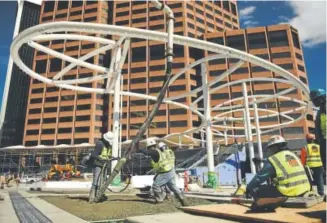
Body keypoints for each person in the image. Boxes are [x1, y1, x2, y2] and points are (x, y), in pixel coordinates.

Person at [246, 135, 311, 211]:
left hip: (289, 192)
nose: (270, 150)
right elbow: (283, 162)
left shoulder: (273, 159)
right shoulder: (293, 155)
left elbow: (259, 178)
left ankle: (263, 207)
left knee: (256, 188)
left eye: (270, 148)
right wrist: (262, 161)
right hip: (304, 190)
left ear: (275, 147)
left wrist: (249, 187)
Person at [138, 139, 189, 206]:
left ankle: (159, 201)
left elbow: (147, 152)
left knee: (155, 186)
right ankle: (184, 201)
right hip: (170, 170)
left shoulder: (154, 152)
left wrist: (138, 149)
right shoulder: (160, 151)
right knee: (173, 187)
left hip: (165, 172)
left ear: (149, 147)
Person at [89, 131, 115, 203]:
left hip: (104, 165)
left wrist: (113, 157)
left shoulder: (108, 145)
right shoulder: (100, 144)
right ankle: (92, 197)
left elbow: (107, 155)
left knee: (103, 181)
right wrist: (101, 159)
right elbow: (93, 154)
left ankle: (99, 195)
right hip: (98, 165)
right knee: (96, 181)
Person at [310, 89, 326, 169]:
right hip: (323, 140)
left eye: (314, 100)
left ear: (319, 98)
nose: (313, 103)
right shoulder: (321, 110)